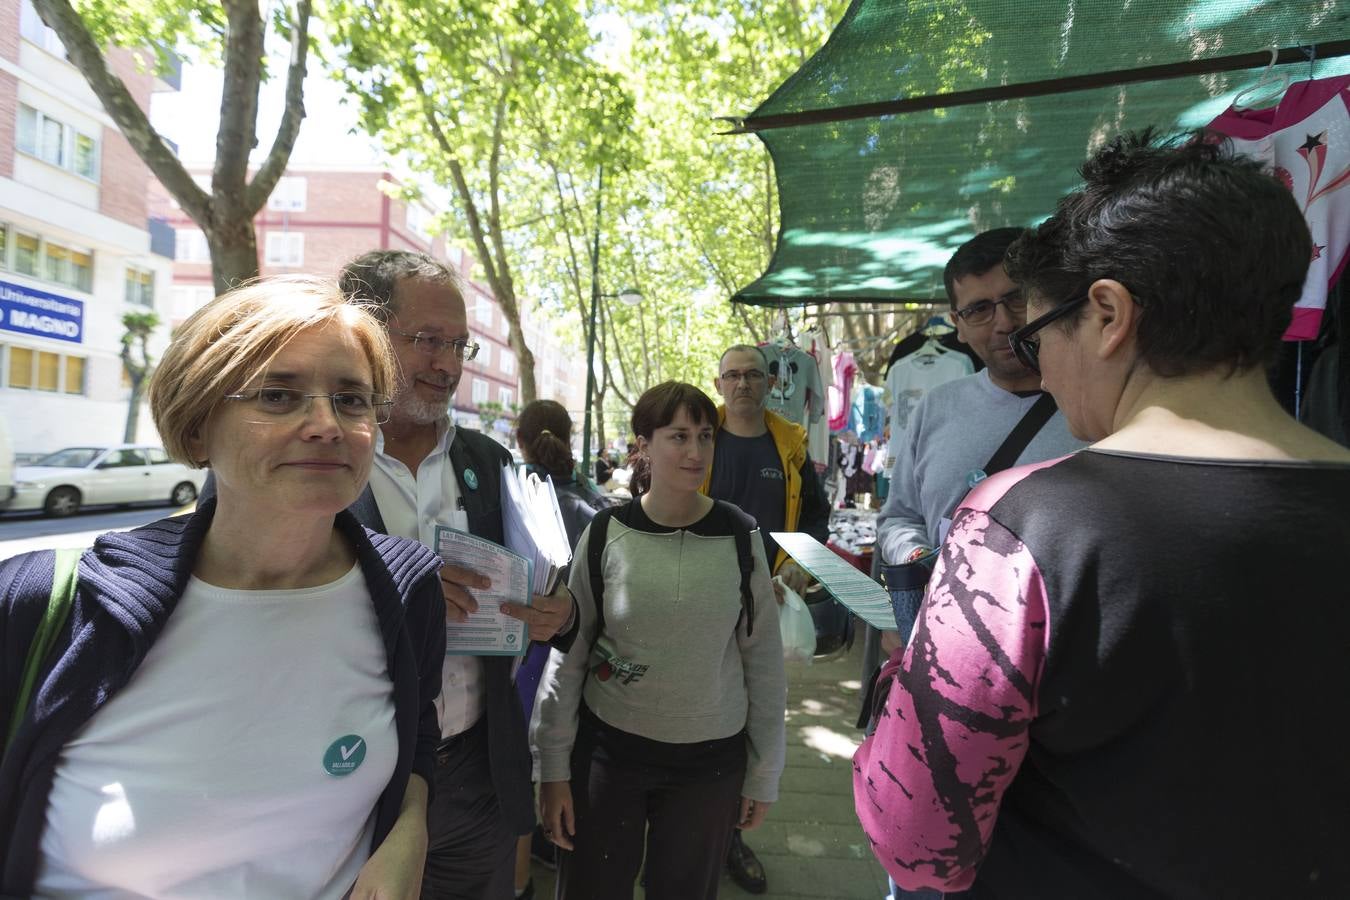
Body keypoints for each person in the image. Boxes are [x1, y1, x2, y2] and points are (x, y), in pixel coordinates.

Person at [853, 130, 1350, 896]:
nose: (1038, 360)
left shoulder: (1023, 528)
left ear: (1109, 315)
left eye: (1040, 330)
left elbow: (916, 837)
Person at [0, 277, 445, 898]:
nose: (326, 424)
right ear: (195, 430)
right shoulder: (46, 600)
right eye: (278, 395)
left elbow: (417, 729)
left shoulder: (405, 589)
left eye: (351, 400)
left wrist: (411, 825)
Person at [337, 250, 578, 900]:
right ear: (363, 331)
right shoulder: (311, 456)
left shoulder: (491, 464)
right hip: (348, 781)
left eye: (459, 344)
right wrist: (399, 592)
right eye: (427, 341)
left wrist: (561, 615)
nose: (447, 364)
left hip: (477, 775)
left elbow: (543, 585)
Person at [535, 381, 786, 900]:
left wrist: (765, 773)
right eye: (678, 436)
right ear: (644, 444)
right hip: (609, 754)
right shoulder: (605, 534)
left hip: (710, 764)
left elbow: (763, 662)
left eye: (704, 436)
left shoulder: (741, 537)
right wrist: (553, 768)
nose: (695, 452)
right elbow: (569, 655)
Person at [703, 342, 830, 893]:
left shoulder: (791, 446)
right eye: (732, 375)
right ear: (719, 382)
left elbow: (817, 521)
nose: (743, 385)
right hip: (700, 599)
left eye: (753, 375)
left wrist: (801, 567)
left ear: (771, 381)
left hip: (768, 602)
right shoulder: (699, 436)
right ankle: (693, 826)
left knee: (753, 719)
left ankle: (731, 834)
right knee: (700, 710)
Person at [511, 399, 609, 897]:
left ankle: (524, 870)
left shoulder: (507, 496)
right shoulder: (597, 508)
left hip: (520, 658)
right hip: (580, 664)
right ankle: (554, 838)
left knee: (518, 771)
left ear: (519, 437)